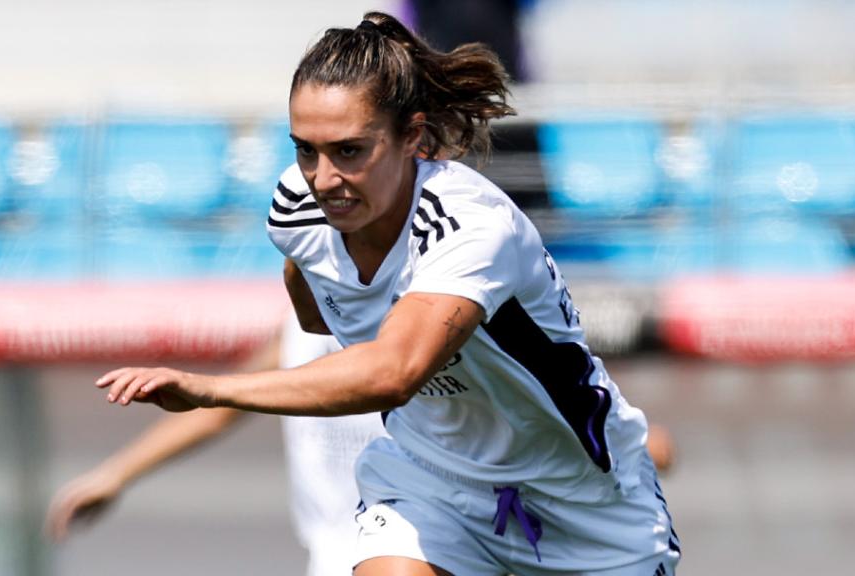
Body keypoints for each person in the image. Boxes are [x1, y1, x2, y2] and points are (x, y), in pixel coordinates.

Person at [97, 11, 680, 576]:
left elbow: (393, 372)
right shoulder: (297, 206)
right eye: (305, 149)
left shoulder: (471, 227)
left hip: (584, 504)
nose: (323, 179)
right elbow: (320, 316)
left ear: (414, 139)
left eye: (349, 151)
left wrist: (210, 389)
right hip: (433, 479)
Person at [46, 311, 389, 576]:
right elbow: (218, 408)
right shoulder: (299, 324)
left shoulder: (412, 320)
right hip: (331, 551)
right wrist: (115, 474)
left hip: (409, 544)